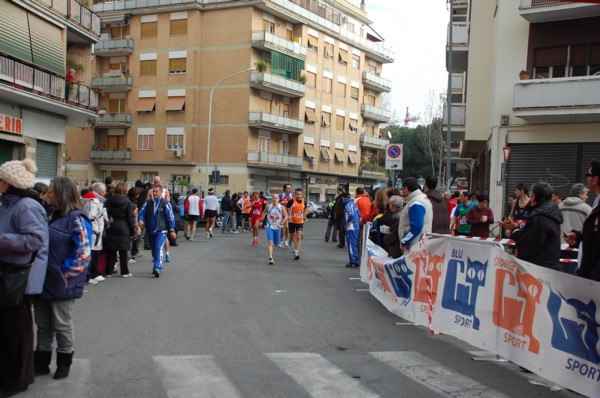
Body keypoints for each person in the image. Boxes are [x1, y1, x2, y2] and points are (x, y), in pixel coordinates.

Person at [33, 176, 92, 381]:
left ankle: (64, 362)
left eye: (50, 191)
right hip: (43, 279)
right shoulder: (49, 214)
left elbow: (83, 253)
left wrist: (63, 272)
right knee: (43, 324)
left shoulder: (76, 218)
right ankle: (41, 363)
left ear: (61, 193)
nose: (47, 194)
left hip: (60, 281)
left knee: (61, 323)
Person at [0, 159, 49, 396]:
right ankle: (9, 374)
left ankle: (18, 378)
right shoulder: (8, 204)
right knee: (7, 330)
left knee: (16, 332)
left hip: (17, 276)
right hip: (7, 274)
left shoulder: (26, 206)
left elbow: (35, 239)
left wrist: (2, 240)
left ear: (9, 183)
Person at [500, 182, 562, 270]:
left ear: (533, 196)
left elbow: (527, 245)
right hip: (549, 265)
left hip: (538, 268)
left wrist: (514, 230)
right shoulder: (552, 211)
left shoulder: (538, 217)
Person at [565, 159, 600, 281]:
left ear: (595, 179)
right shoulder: (596, 202)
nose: (586, 178)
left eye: (588, 175)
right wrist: (579, 236)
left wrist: (594, 278)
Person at [138, 185, 176, 277]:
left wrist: (172, 230)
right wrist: (140, 220)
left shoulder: (165, 203)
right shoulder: (148, 203)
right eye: (153, 191)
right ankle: (156, 262)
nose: (154, 193)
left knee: (159, 248)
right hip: (150, 230)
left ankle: (157, 268)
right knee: (154, 250)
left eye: (156, 192)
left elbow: (170, 217)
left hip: (161, 231)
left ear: (160, 192)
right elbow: (141, 213)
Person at [105, 182, 136, 277]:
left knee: (111, 250)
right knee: (123, 251)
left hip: (112, 225)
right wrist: (133, 231)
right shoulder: (127, 202)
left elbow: (105, 210)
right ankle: (124, 271)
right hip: (124, 226)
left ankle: (108, 271)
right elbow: (130, 218)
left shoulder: (109, 200)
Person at [81, 182, 108, 285]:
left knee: (93, 253)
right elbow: (91, 216)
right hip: (94, 231)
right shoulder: (95, 201)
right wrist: (95, 229)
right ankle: (90, 275)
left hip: (94, 230)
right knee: (92, 253)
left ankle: (93, 274)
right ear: (101, 191)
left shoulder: (90, 199)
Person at [399, 177, 433, 252]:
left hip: (414, 245)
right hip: (421, 242)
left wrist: (405, 241)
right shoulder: (423, 198)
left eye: (403, 189)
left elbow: (417, 226)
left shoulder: (416, 202)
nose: (403, 192)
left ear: (406, 188)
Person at [265, 193, 288, 265]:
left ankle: (277, 243)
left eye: (276, 198)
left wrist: (281, 224)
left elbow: (286, 216)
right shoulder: (268, 206)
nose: (275, 199)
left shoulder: (281, 207)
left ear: (279, 199)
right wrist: (260, 221)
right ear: (271, 199)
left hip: (278, 227)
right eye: (273, 198)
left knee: (276, 244)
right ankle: (270, 258)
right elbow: (263, 213)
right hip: (270, 226)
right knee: (270, 242)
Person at [286, 187, 308, 260]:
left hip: (299, 222)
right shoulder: (291, 201)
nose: (299, 195)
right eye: (297, 194)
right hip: (292, 221)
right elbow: (286, 209)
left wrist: (305, 216)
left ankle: (296, 252)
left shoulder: (304, 202)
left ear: (302, 195)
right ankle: (290, 239)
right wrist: (288, 215)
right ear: (294, 194)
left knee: (299, 236)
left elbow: (305, 209)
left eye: (300, 194)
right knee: (292, 236)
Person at [342, 191, 360, 267]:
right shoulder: (354, 204)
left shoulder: (348, 205)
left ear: (343, 198)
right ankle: (355, 260)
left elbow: (351, 215)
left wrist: (347, 223)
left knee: (351, 245)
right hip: (356, 226)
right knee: (354, 244)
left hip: (351, 227)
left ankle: (353, 261)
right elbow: (359, 214)